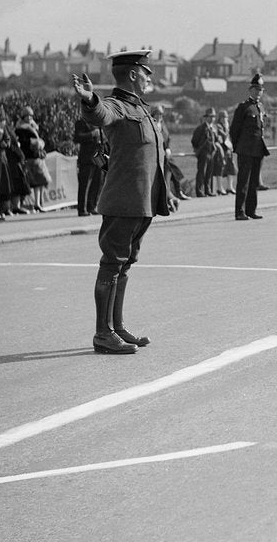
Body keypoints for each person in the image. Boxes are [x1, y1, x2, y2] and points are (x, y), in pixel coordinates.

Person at [71, 50, 178, 354]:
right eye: (146, 72)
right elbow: (99, 114)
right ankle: (103, 333)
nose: (149, 78)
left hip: (142, 203)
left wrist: (167, 193)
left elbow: (152, 157)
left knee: (125, 264)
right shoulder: (117, 105)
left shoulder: (140, 108)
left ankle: (116, 327)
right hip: (123, 201)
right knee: (112, 264)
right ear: (133, 74)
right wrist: (90, 100)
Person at [230, 73, 269, 220]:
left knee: (254, 182)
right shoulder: (244, 107)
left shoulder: (261, 107)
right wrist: (238, 147)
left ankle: (251, 210)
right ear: (250, 90)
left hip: (258, 149)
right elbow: (234, 130)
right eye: (256, 89)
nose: (258, 92)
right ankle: (240, 211)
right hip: (245, 149)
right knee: (243, 181)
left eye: (260, 90)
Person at [152, 104, 190, 200]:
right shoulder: (151, 124)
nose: (159, 116)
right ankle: (174, 193)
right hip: (157, 154)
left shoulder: (162, 124)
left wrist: (168, 148)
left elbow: (167, 138)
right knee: (170, 170)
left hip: (166, 154)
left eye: (161, 114)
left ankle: (177, 192)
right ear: (153, 114)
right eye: (157, 114)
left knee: (171, 170)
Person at [16, 106, 49, 212]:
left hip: (37, 157)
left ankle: (38, 203)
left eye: (31, 116)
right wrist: (34, 142)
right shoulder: (20, 128)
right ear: (23, 117)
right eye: (27, 116)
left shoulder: (34, 126)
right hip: (28, 157)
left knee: (40, 182)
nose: (29, 118)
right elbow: (22, 142)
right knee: (28, 183)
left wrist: (40, 143)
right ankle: (20, 205)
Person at [73, 114, 105, 216]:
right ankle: (82, 209)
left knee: (98, 182)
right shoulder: (81, 122)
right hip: (87, 156)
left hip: (99, 155)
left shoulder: (99, 122)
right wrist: (91, 134)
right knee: (85, 183)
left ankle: (92, 206)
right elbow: (77, 137)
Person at [192, 108, 217, 196]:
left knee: (209, 172)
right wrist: (198, 150)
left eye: (213, 117)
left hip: (211, 153)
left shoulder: (213, 128)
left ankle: (208, 190)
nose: (212, 118)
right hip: (203, 153)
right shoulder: (201, 128)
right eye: (210, 116)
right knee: (201, 172)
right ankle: (200, 191)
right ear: (206, 117)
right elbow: (194, 140)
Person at [214, 110, 236, 194]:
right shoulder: (218, 126)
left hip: (228, 149)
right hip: (221, 150)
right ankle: (219, 188)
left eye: (225, 117)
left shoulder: (227, 126)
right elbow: (222, 136)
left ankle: (230, 187)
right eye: (222, 117)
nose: (224, 119)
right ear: (219, 118)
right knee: (220, 168)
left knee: (231, 168)